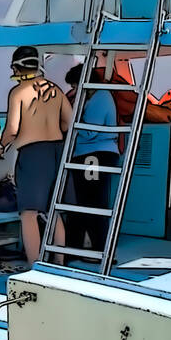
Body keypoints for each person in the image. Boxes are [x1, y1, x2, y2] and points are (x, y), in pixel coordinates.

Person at [0, 45, 72, 264]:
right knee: (53, 210)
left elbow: (11, 129)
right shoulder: (55, 89)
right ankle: (59, 262)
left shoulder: (19, 92)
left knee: (28, 214)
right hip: (57, 151)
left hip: (32, 154)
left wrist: (1, 148)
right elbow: (69, 120)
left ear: (16, 67)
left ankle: (33, 265)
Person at [64, 64, 120, 251]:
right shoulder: (96, 97)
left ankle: (98, 247)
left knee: (92, 203)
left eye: (74, 86)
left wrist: (71, 116)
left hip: (94, 156)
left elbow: (90, 132)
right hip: (90, 155)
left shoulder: (100, 97)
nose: (74, 91)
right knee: (86, 202)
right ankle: (84, 244)